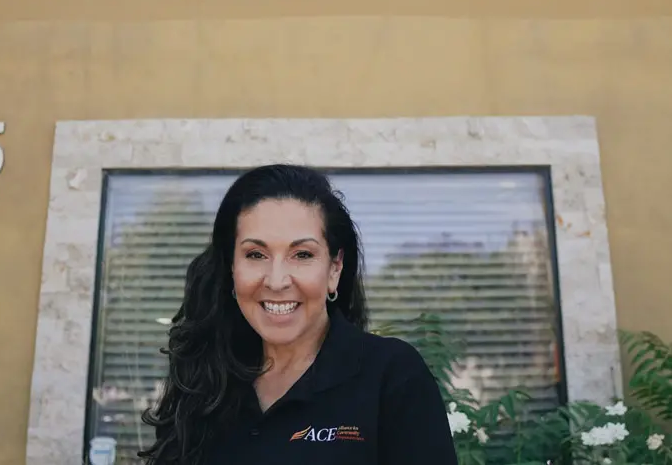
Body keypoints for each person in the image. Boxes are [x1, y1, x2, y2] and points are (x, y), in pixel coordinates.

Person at [139, 164, 460, 465]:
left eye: (302, 254)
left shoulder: (391, 377)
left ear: (334, 268)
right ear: (231, 268)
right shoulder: (205, 380)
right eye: (256, 254)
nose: (277, 281)